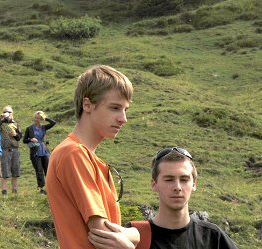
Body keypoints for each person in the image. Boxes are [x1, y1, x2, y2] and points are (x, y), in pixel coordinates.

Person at [46, 65, 140, 249]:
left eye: (125, 110)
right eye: (115, 108)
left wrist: (138, 233)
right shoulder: (74, 154)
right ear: (87, 104)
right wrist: (137, 235)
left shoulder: (86, 157)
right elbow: (103, 235)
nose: (123, 119)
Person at [89, 147, 239, 249]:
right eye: (169, 179)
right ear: (154, 184)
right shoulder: (131, 236)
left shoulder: (213, 238)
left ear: (194, 184)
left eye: (184, 179)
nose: (177, 186)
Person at [22, 110, 56, 194]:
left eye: (39, 118)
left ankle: (50, 188)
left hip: (44, 151)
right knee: (39, 170)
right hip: (35, 152)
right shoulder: (29, 129)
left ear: (41, 119)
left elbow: (53, 123)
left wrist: (45, 118)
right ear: (34, 118)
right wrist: (30, 139)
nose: (36, 119)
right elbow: (24, 140)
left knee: (48, 170)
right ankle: (41, 188)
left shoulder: (43, 127)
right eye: (36, 118)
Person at [0, 105, 22, 195]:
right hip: (4, 149)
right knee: (5, 170)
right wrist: (1, 119)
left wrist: (15, 134)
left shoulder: (15, 123)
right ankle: (4, 190)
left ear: (12, 113)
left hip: (15, 148)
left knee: (15, 169)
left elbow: (19, 137)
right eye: (6, 111)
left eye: (9, 112)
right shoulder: (0, 122)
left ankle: (14, 190)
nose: (8, 113)